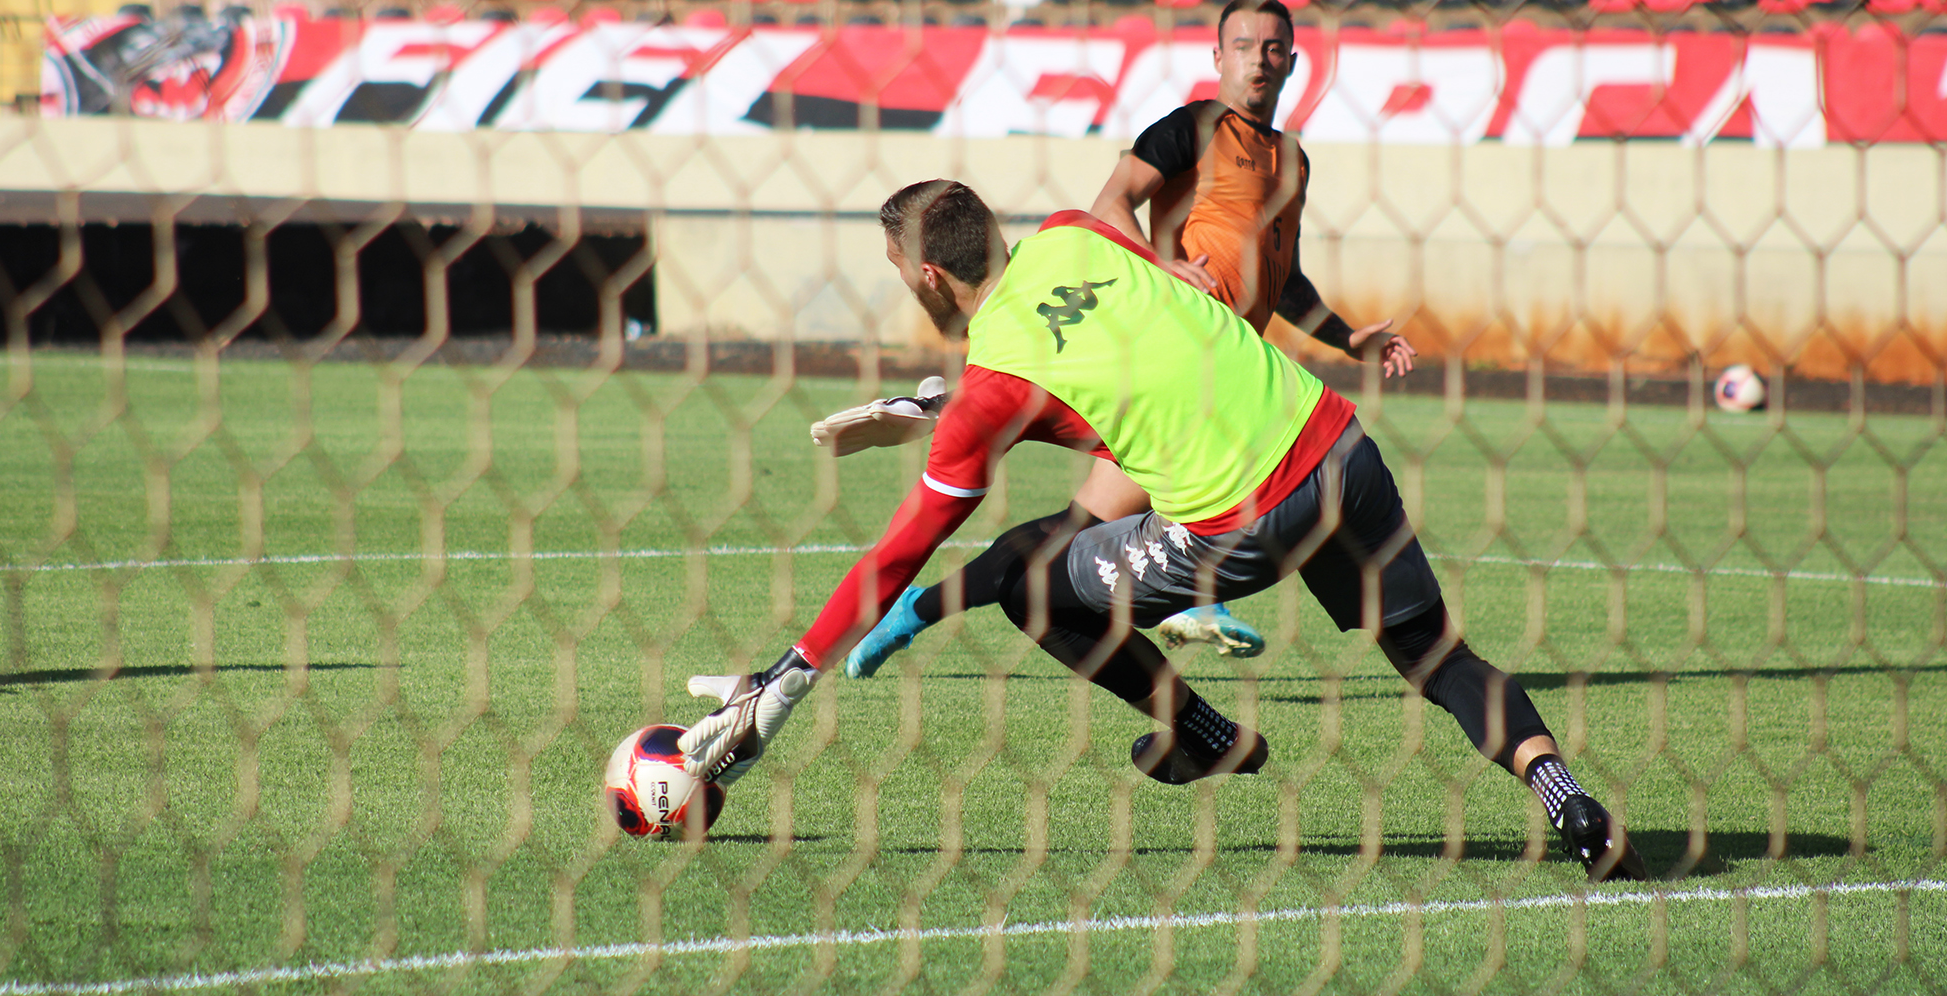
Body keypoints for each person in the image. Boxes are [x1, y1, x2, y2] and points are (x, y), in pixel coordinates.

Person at [679, 180, 1649, 882]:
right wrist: (935, 404)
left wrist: (780, 684)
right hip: (1335, 446)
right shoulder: (1070, 235)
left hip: (1240, 522)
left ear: (926, 274)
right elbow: (1148, 338)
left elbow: (897, 553)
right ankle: (1564, 795)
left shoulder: (993, 382)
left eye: (900, 274)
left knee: (1022, 574)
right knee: (1433, 655)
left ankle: (1202, 731)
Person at [839, 0, 1415, 673]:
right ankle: (921, 608)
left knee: (1071, 534)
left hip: (1224, 388)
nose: (1259, 59)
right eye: (1243, 45)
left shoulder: (1292, 159)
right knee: (1072, 536)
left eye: (1273, 47)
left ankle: (926, 606)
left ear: (1293, 60)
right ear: (1217, 56)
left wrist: (1347, 338)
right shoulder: (1195, 127)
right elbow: (1112, 200)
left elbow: (1279, 275)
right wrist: (1160, 264)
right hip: (1160, 372)